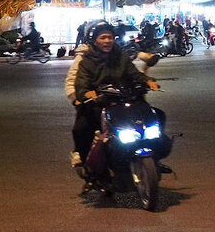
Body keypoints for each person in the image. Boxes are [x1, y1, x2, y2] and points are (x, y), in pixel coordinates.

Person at [64, 21, 159, 170]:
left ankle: (155, 156)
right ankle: (85, 159)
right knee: (82, 128)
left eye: (110, 37)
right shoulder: (86, 60)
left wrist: (148, 81)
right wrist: (85, 93)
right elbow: (79, 82)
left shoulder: (121, 56)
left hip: (123, 97)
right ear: (95, 40)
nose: (107, 41)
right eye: (103, 38)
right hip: (100, 101)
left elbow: (134, 74)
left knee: (153, 117)